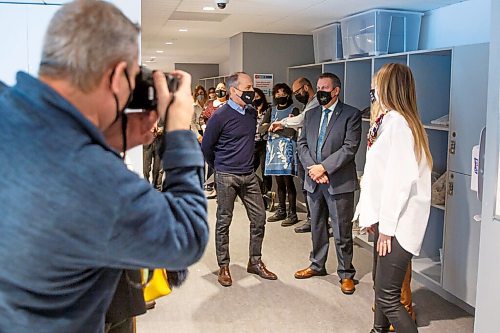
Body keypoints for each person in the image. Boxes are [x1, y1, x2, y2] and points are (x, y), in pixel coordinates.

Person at [0, 1, 209, 332]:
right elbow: (188, 236)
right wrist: (179, 133)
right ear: (115, 76)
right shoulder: (92, 179)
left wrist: (106, 141)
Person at [354, 63, 432, 333]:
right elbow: (379, 178)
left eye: (377, 85)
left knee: (389, 298)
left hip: (397, 226)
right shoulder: (388, 121)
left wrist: (386, 230)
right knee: (380, 288)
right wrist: (371, 217)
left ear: (389, 87)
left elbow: (398, 184)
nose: (372, 90)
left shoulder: (399, 124)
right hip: (388, 223)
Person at [201, 72, 278, 287]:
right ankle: (223, 266)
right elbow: (206, 147)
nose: (251, 91)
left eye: (252, 87)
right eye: (247, 87)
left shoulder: (251, 113)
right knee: (224, 221)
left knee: (259, 218)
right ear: (233, 91)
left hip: (248, 174)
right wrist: (219, 167)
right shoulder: (219, 116)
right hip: (226, 175)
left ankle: (255, 261)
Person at [295, 73, 361, 296]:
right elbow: (301, 144)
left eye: (325, 87)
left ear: (336, 91)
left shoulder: (351, 114)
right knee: (317, 226)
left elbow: (350, 148)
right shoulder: (311, 114)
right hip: (314, 181)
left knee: (342, 230)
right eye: (318, 86)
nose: (320, 91)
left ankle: (346, 274)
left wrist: (323, 168)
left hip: (338, 182)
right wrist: (313, 169)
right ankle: (317, 265)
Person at [269, 77, 319, 232]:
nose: (296, 95)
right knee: (306, 187)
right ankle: (311, 219)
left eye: (297, 91)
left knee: (308, 188)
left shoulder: (315, 103)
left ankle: (313, 220)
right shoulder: (307, 104)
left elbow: (300, 120)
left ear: (305, 87)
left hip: (308, 151)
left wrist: (282, 123)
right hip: (303, 150)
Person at [265, 83, 300, 227]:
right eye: (277, 94)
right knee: (278, 182)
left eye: (283, 93)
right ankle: (281, 210)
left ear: (288, 94)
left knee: (288, 181)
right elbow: (262, 127)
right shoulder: (271, 110)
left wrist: (276, 127)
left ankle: (292, 213)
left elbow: (292, 131)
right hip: (273, 149)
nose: (280, 96)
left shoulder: (294, 110)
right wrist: (278, 127)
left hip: (287, 149)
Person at [202, 81, 228, 198]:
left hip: (225, 138)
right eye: (218, 88)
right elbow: (203, 118)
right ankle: (216, 188)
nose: (219, 90)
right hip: (212, 137)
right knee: (214, 165)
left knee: (223, 165)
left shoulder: (229, 104)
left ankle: (224, 191)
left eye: (222, 88)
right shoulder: (211, 104)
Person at [253, 87, 273, 208]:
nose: (256, 99)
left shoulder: (268, 110)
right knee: (248, 169)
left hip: (265, 143)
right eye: (253, 97)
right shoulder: (250, 110)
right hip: (253, 143)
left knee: (266, 171)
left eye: (258, 96)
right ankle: (260, 190)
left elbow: (268, 125)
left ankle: (266, 196)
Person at [143, 122, 164, 189]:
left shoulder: (164, 112)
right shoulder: (146, 112)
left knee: (157, 169)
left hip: (160, 141)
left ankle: (157, 189)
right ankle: (146, 189)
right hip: (147, 142)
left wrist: (162, 129)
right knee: (146, 168)